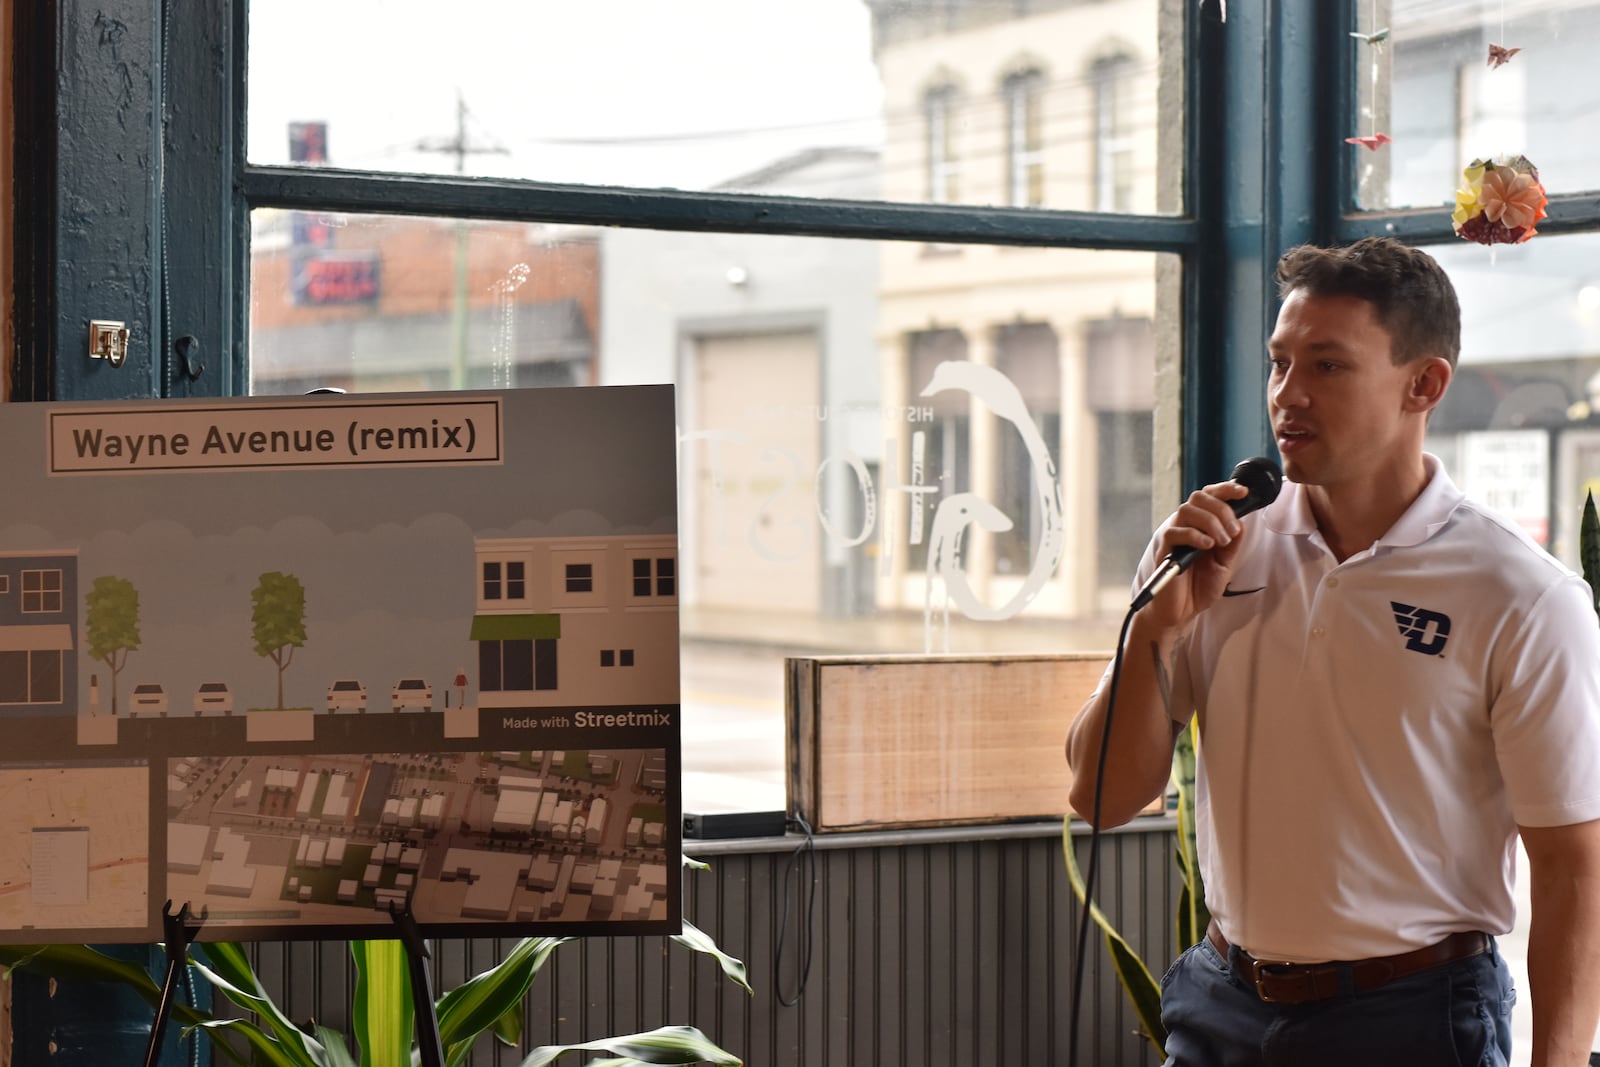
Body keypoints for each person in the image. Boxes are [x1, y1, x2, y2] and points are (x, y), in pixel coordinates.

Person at [1065, 236, 1600, 1067]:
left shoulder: (1522, 594)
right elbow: (1101, 796)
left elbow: (1572, 869)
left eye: (1327, 366)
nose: (1287, 395)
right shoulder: (1210, 546)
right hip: (1221, 1003)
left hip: (1414, 1019)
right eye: (1279, 364)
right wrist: (1153, 629)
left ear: (1424, 384)